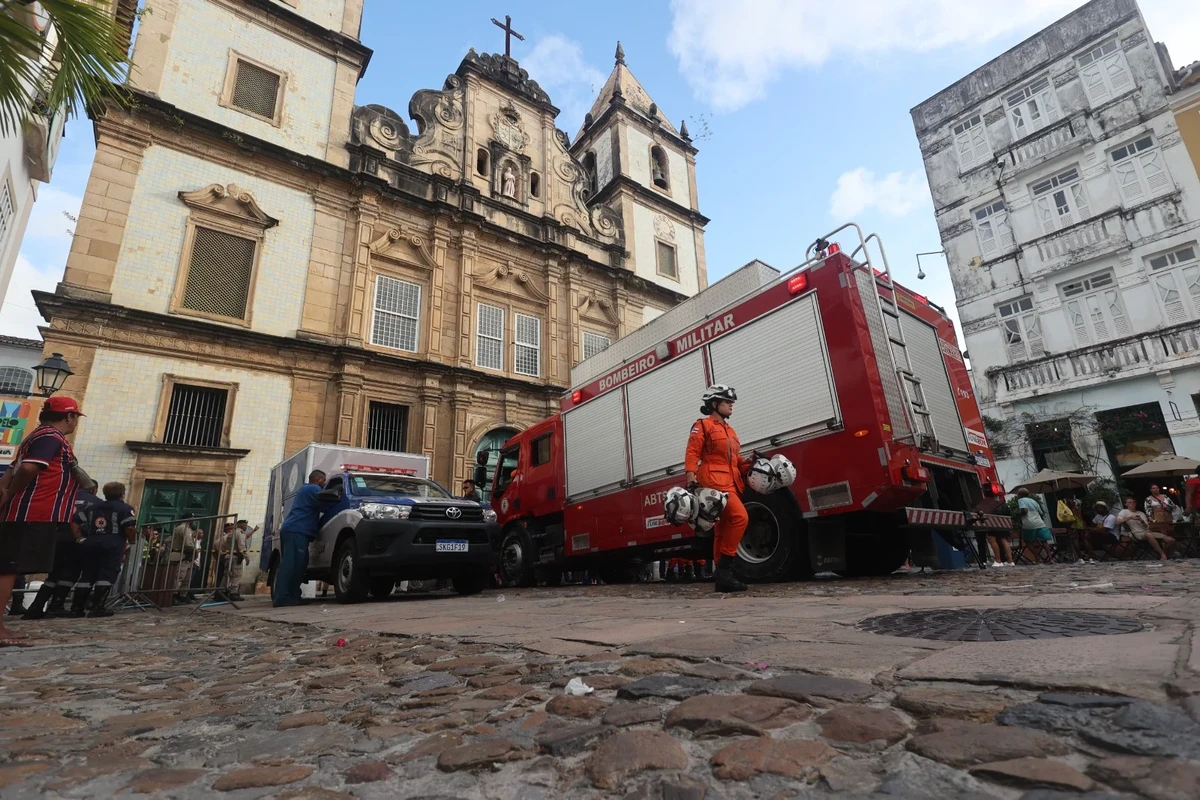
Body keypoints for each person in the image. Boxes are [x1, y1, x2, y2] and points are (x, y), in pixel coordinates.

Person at [3, 398, 87, 632]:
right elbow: (29, 467)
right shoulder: (51, 436)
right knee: (8, 568)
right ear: (69, 416)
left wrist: (6, 489)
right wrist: (9, 493)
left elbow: (13, 467)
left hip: (29, 510)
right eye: (75, 417)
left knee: (10, 566)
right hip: (32, 509)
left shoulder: (37, 434)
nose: (75, 423)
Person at [685, 385, 752, 593]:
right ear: (715, 404)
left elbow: (731, 460)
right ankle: (725, 570)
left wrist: (747, 461)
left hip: (731, 482)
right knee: (741, 517)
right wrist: (690, 476)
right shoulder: (703, 425)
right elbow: (692, 451)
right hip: (713, 482)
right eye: (727, 402)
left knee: (722, 529)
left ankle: (722, 576)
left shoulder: (729, 430)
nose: (731, 405)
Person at [71, 481, 137, 618]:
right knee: (107, 574)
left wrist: (80, 539)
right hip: (112, 543)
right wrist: (132, 541)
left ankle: (76, 609)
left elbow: (75, 522)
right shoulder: (125, 508)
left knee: (87, 575)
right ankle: (98, 607)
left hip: (91, 541)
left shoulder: (92, 507)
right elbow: (129, 527)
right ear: (122, 494)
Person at [273, 470, 334, 607]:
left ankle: (293, 596)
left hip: (294, 529)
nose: (324, 485)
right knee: (292, 565)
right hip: (297, 529)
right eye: (324, 481)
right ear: (318, 480)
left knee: (298, 564)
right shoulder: (313, 489)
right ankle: (282, 598)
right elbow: (324, 505)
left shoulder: (305, 489)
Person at [1116, 496, 1174, 560]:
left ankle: (1164, 555)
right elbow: (1118, 522)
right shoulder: (1124, 511)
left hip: (1146, 531)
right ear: (1126, 504)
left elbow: (1146, 527)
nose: (1132, 504)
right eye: (1130, 502)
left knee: (1170, 540)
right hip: (1135, 533)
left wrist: (1142, 521)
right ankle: (1162, 554)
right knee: (1148, 535)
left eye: (1133, 502)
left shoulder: (1141, 513)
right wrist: (1130, 517)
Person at [1015, 488, 1054, 563]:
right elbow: (1041, 512)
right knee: (1044, 541)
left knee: (1028, 541)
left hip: (1029, 523)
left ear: (1020, 495)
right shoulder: (1034, 501)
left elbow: (1025, 510)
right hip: (1039, 522)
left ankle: (1037, 558)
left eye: (1018, 494)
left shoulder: (1021, 500)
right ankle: (1050, 559)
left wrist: (1018, 514)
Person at [170, 514, 198, 604]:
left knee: (187, 578)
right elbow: (187, 543)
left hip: (187, 557)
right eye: (192, 518)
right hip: (181, 555)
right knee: (179, 577)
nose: (194, 520)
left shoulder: (189, 529)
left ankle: (183, 596)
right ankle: (173, 596)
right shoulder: (183, 528)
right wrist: (195, 551)